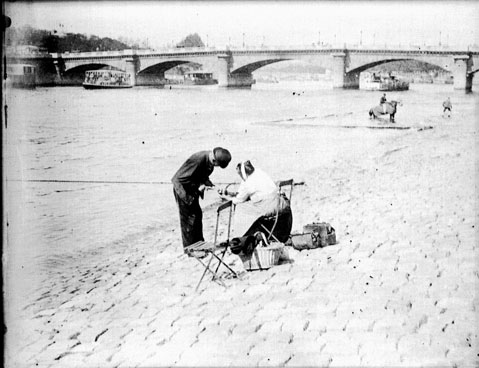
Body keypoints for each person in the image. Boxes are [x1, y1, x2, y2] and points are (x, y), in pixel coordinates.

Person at [172, 147, 232, 252]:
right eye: (217, 165)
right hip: (182, 190)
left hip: (192, 190)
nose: (215, 167)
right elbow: (178, 179)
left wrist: (212, 186)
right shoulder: (198, 159)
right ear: (214, 160)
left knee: (197, 215)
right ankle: (189, 249)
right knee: (188, 219)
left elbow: (202, 176)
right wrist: (198, 186)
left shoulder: (209, 161)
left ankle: (199, 243)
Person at [219, 160, 292, 241]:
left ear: (243, 173)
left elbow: (239, 200)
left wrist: (227, 198)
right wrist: (230, 193)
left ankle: (241, 236)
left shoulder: (248, 183)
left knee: (240, 208)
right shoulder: (260, 172)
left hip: (271, 207)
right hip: (281, 203)